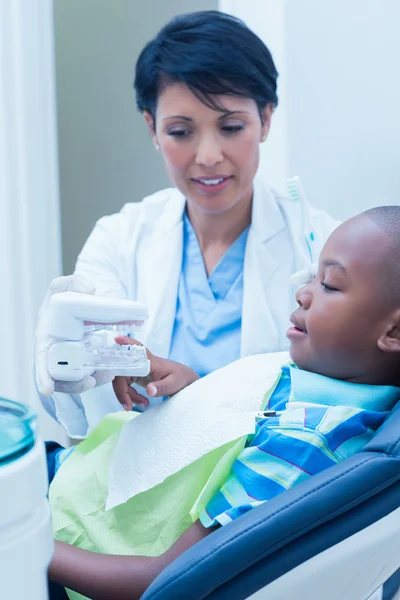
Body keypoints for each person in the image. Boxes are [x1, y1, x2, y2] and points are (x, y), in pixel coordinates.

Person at [47, 206, 400, 600]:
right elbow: (245, 419)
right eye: (312, 277)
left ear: (394, 331)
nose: (303, 293)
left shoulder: (301, 445)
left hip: (71, 537)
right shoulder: (324, 376)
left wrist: (27, 544)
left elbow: (163, 580)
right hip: (77, 481)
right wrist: (192, 389)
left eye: (330, 285)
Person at [35, 10, 339, 439]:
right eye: (181, 132)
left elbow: (344, 403)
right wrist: (72, 357)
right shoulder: (119, 240)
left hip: (272, 501)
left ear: (266, 119)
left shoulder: (324, 247)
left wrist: (200, 396)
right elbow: (78, 406)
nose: (209, 155)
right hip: (137, 490)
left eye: (231, 127)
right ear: (152, 129)